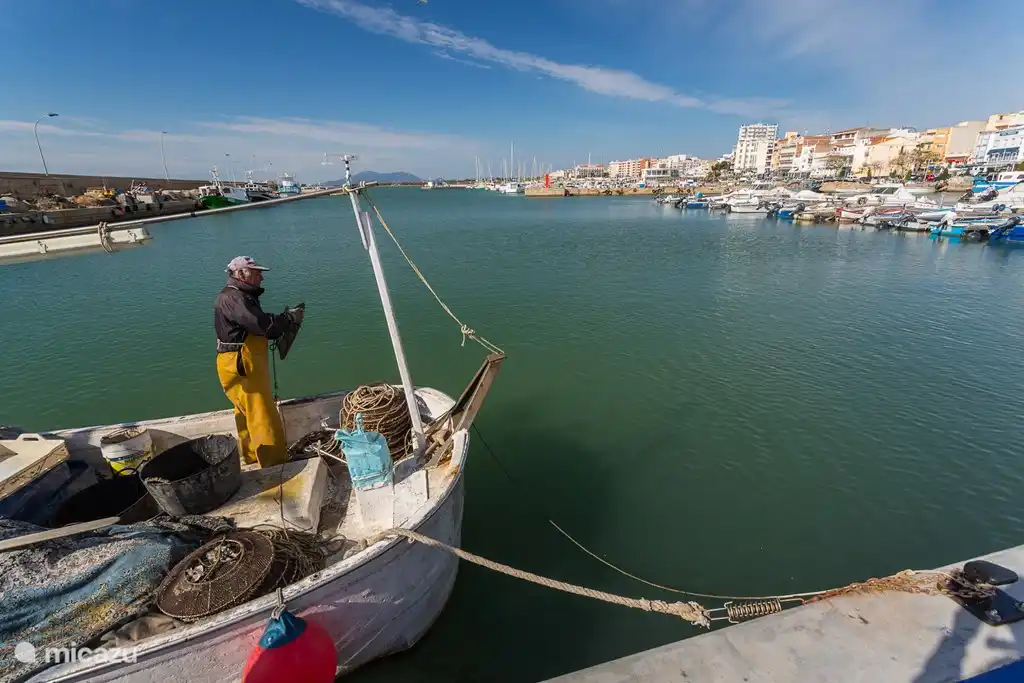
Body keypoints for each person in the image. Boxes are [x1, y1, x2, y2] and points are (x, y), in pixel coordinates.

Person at [214, 256, 304, 468]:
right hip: (242, 363)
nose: (261, 277)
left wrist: (279, 318)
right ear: (241, 274)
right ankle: (275, 464)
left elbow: (253, 320)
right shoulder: (235, 298)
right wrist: (286, 320)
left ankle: (253, 455)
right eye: (256, 273)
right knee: (261, 411)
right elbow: (262, 326)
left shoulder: (232, 296)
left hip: (232, 362)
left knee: (245, 410)